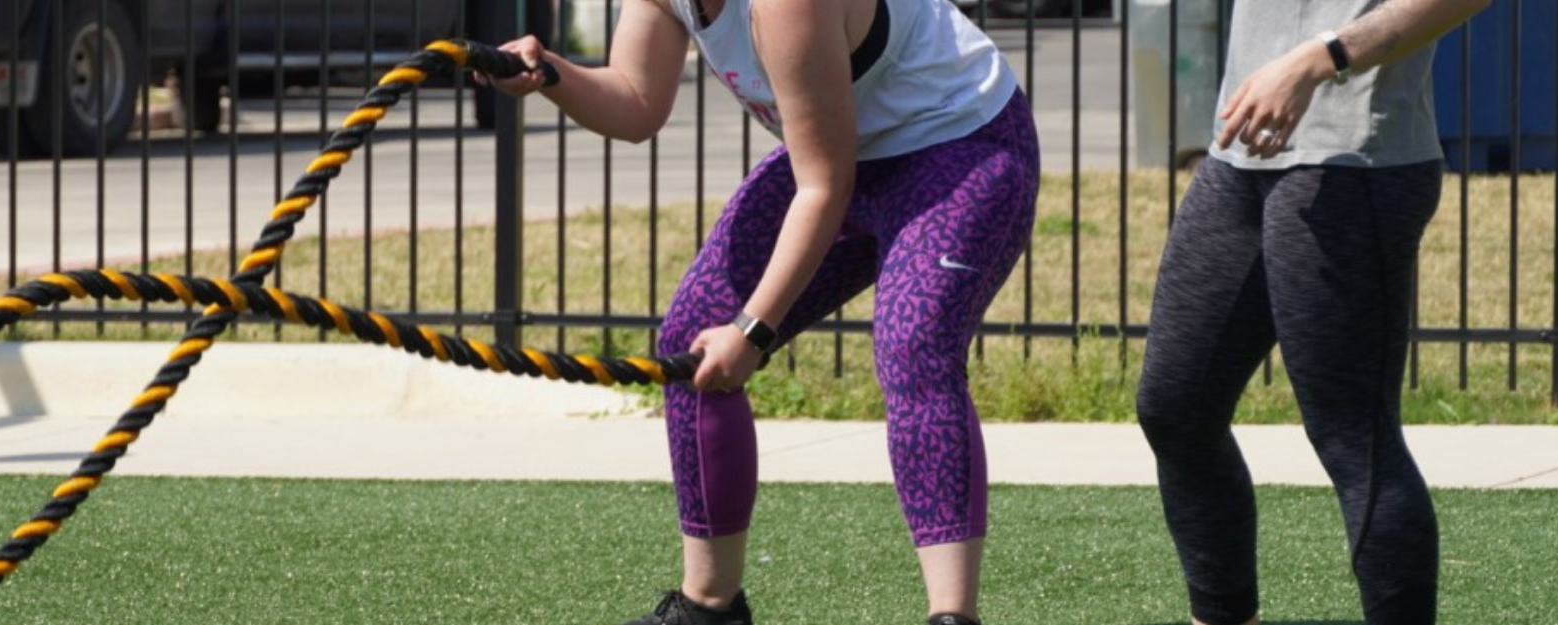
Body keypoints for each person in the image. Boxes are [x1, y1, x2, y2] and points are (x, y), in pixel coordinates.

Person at [481, 0, 1036, 623]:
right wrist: (551, 73)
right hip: (844, 155)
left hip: (958, 144)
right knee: (694, 339)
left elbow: (825, 184)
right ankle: (708, 608)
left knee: (914, 345)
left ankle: (952, 616)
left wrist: (752, 329)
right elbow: (635, 103)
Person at [1134, 1, 1492, 624]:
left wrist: (1321, 57)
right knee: (1175, 408)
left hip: (1355, 159)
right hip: (1240, 151)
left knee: (1354, 436)